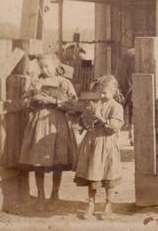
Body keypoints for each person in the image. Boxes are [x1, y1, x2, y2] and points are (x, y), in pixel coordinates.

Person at [19, 53, 78, 212]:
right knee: (39, 162)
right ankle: (40, 196)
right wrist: (32, 100)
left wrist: (53, 101)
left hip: (57, 125)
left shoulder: (64, 83)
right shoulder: (36, 83)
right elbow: (25, 103)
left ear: (56, 66)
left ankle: (55, 195)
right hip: (39, 124)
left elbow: (73, 105)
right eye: (41, 67)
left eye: (47, 66)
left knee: (57, 161)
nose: (45, 70)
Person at [74, 75, 124, 219]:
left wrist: (100, 117)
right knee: (92, 173)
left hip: (107, 143)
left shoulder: (117, 107)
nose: (101, 95)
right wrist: (86, 118)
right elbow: (84, 122)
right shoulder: (96, 103)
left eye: (104, 93)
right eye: (100, 92)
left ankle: (108, 205)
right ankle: (91, 204)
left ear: (113, 91)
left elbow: (114, 127)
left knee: (109, 175)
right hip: (92, 142)